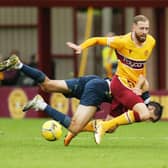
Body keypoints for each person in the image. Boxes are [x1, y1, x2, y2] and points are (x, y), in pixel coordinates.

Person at [0, 55, 162, 146]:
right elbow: (143, 81)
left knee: (48, 85)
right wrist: (139, 87)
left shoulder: (132, 105)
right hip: (98, 90)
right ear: (151, 110)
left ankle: (19, 65)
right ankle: (41, 104)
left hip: (94, 81)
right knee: (75, 126)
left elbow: (110, 124)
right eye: (150, 117)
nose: (145, 119)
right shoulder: (139, 101)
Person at [66, 15, 157, 144]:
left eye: (147, 29)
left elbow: (141, 70)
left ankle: (74, 131)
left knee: (111, 127)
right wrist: (81, 47)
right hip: (119, 84)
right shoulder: (122, 42)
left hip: (131, 86)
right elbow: (97, 40)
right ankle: (102, 126)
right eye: (141, 28)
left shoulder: (150, 42)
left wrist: (138, 86)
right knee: (145, 114)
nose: (145, 32)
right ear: (133, 27)